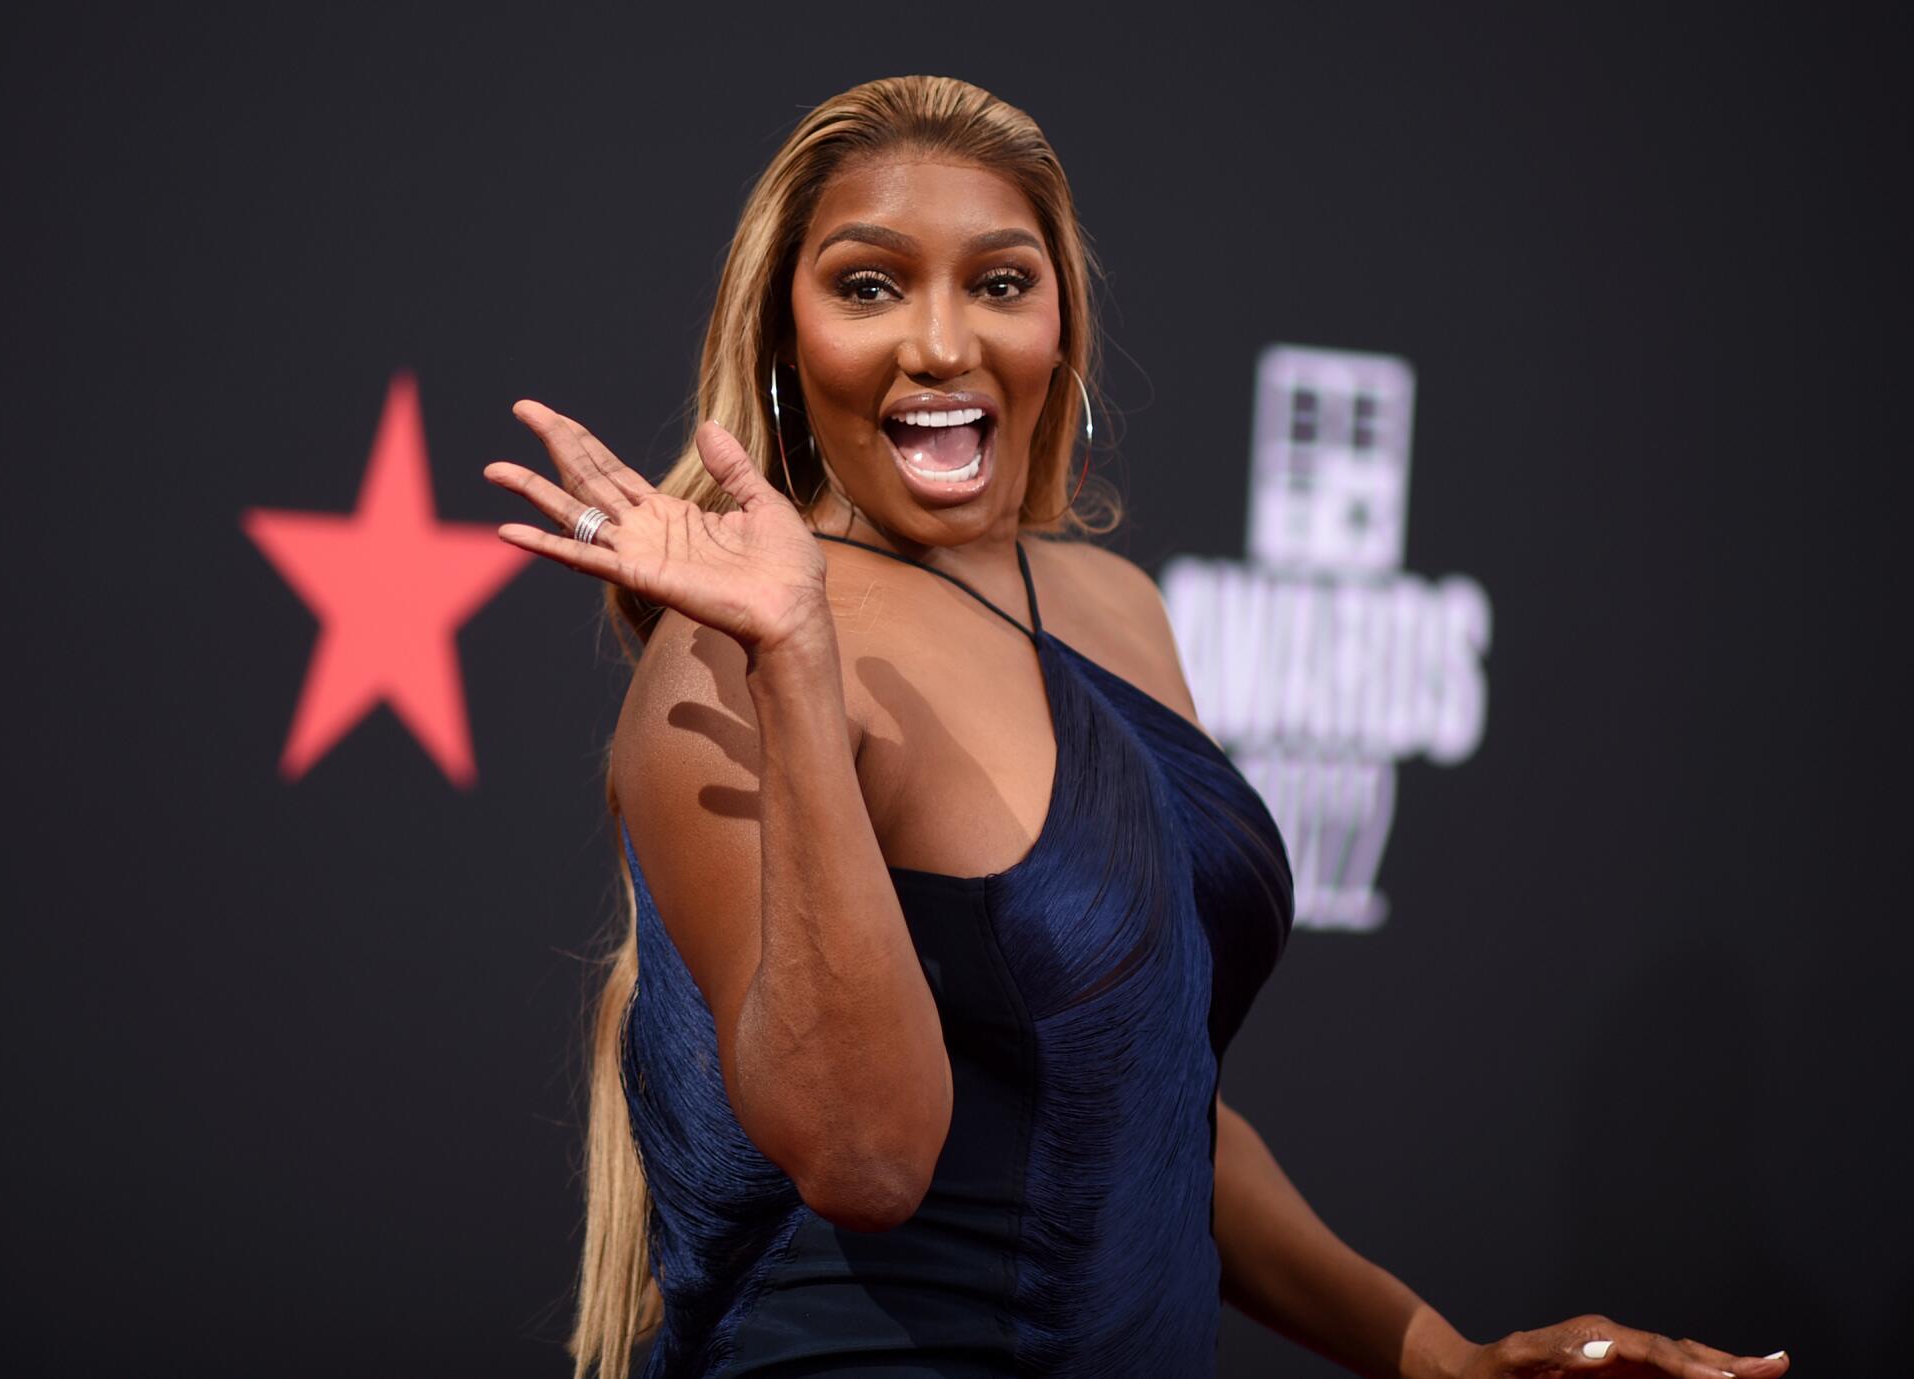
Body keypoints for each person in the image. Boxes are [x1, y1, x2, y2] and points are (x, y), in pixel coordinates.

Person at [483, 75, 1791, 1379]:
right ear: (782, 338)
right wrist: (798, 659)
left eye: (999, 282)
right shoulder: (724, 661)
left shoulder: (1117, 609)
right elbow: (864, 1158)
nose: (942, 344)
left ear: (1062, 324)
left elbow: (1147, 1101)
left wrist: (1436, 1354)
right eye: (869, 285)